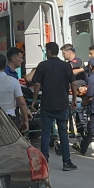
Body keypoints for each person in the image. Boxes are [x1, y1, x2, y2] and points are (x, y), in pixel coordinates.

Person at [32, 42, 78, 171]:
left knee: (45, 133)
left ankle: (44, 162)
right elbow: (74, 83)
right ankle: (67, 162)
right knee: (63, 133)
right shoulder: (66, 66)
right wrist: (74, 99)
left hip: (47, 104)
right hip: (62, 104)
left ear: (48, 51)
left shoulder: (43, 65)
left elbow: (37, 84)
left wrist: (34, 101)